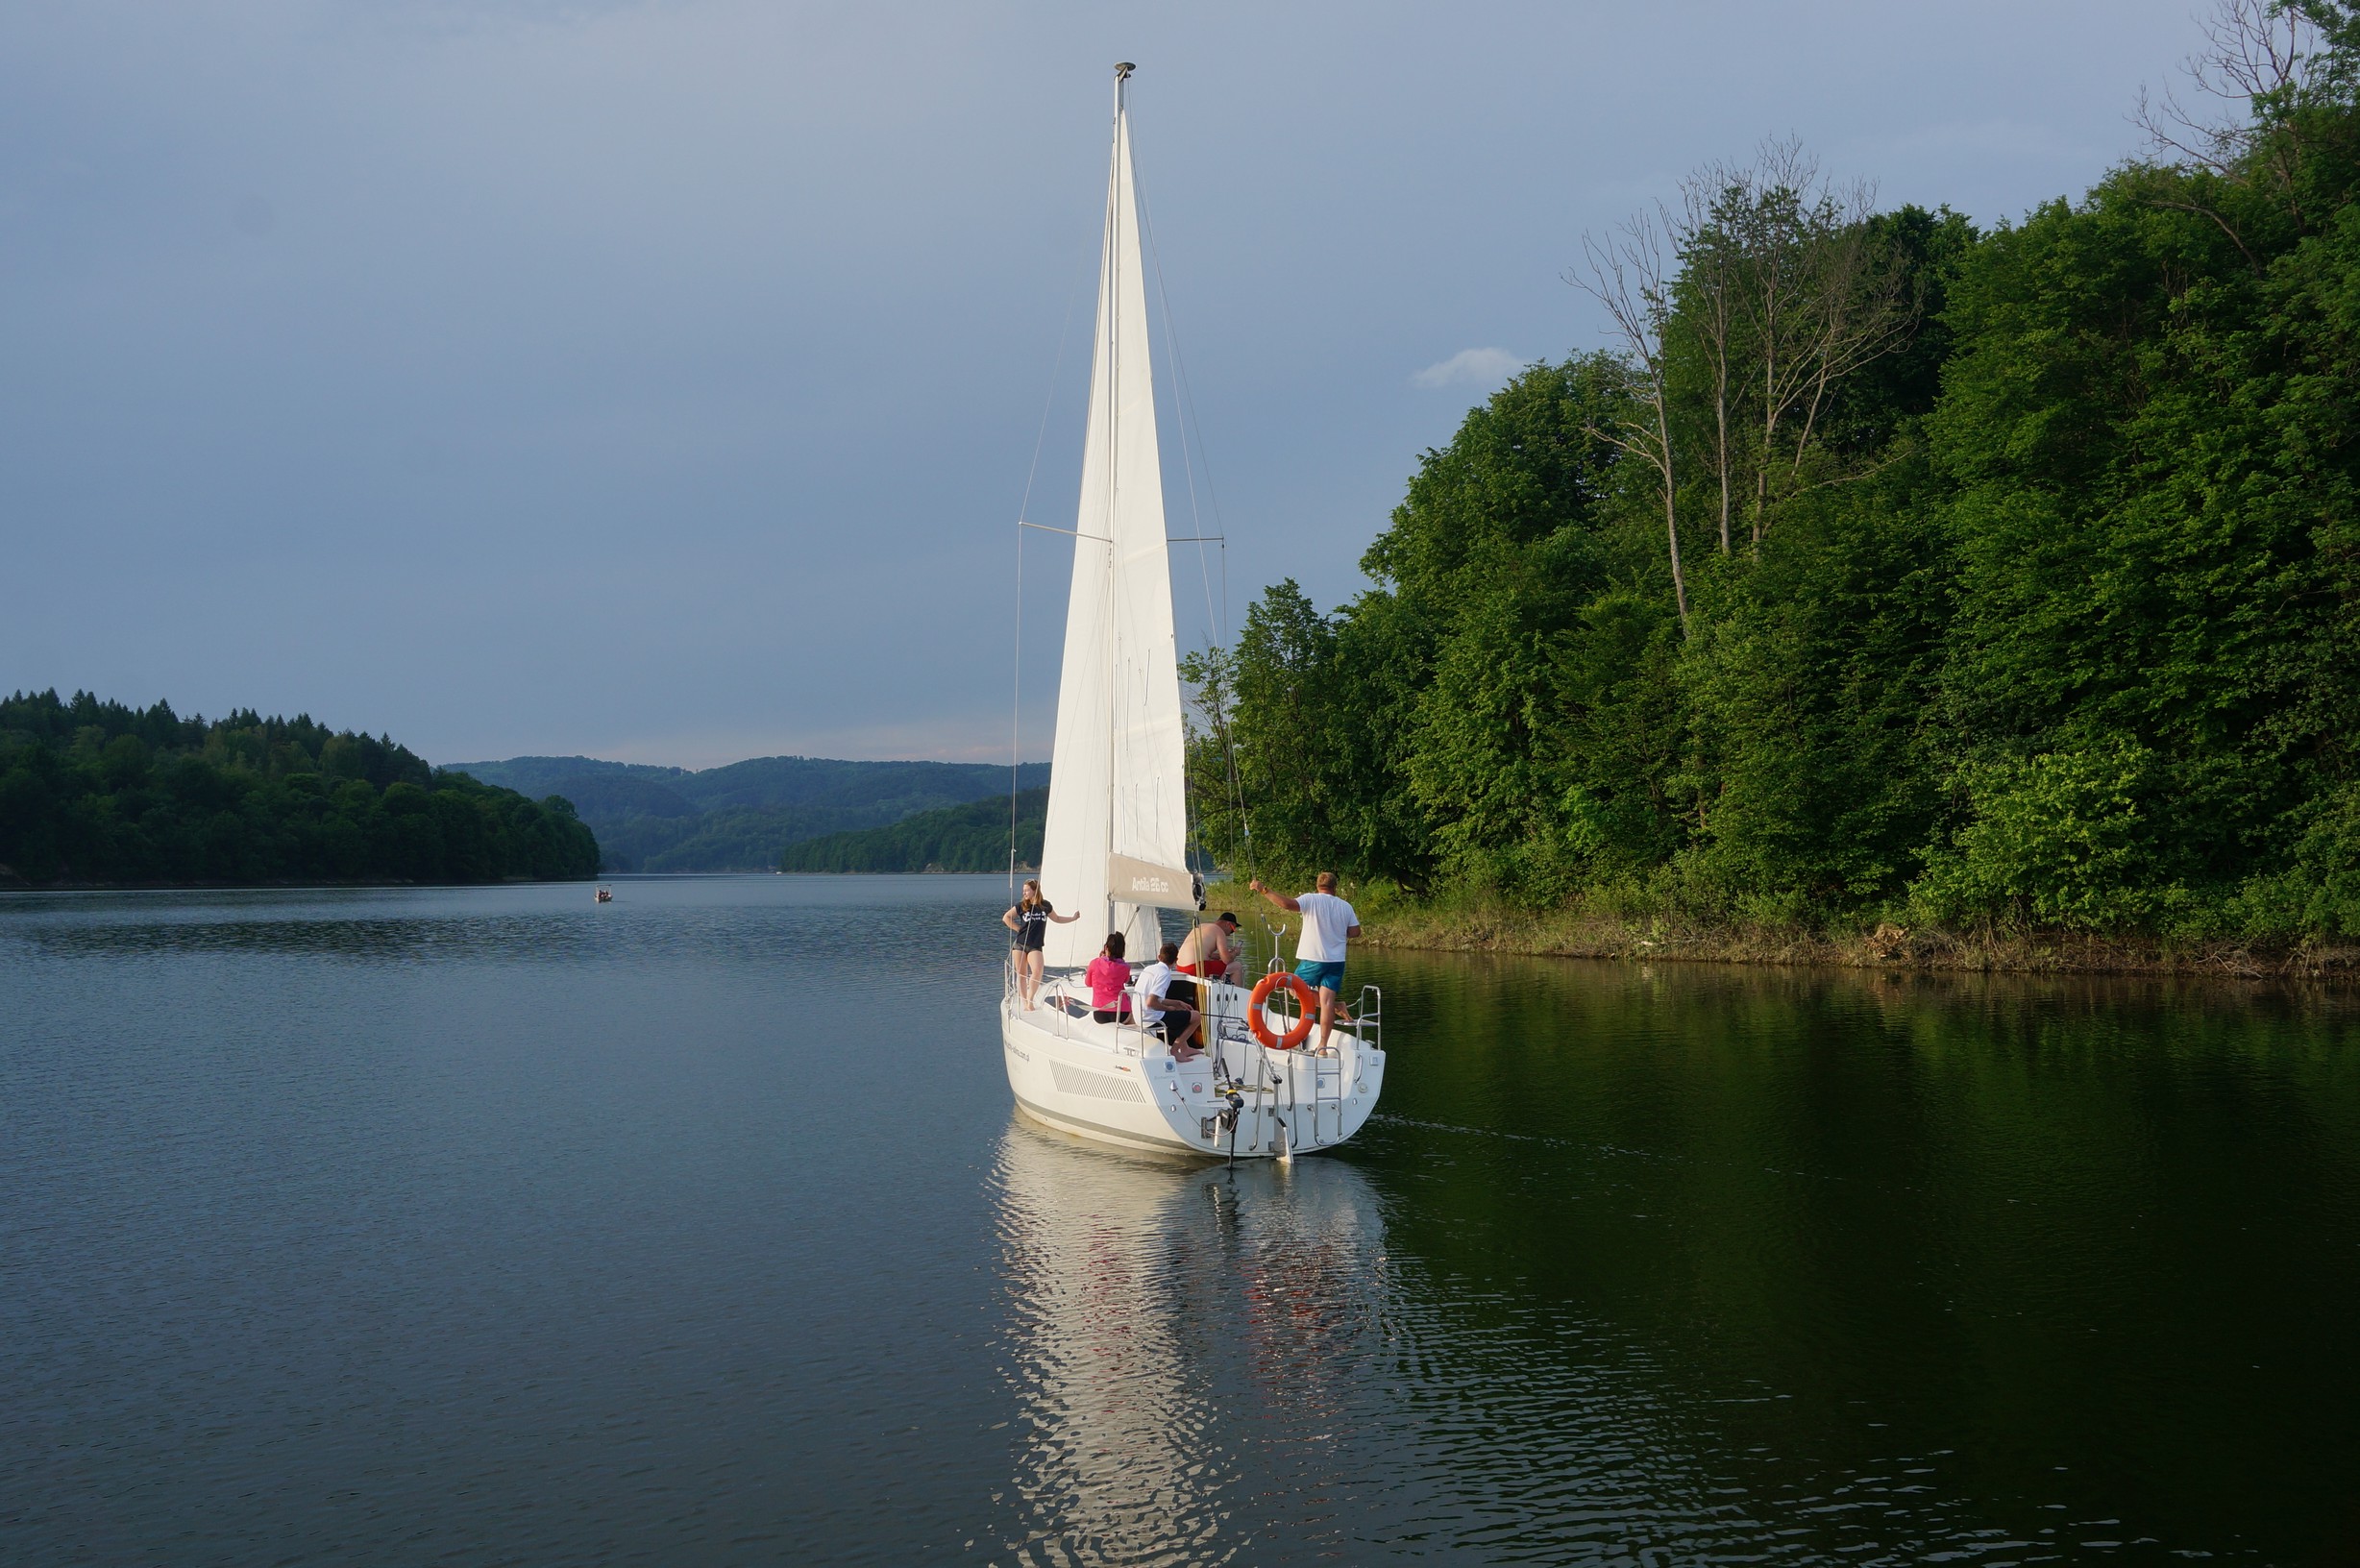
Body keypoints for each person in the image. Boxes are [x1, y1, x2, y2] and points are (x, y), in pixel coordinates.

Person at [1249, 871, 1362, 1047]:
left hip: (1313, 959)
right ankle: (1323, 1046)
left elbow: (1286, 904)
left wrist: (1264, 890)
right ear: (1334, 888)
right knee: (1326, 1002)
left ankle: (1336, 1007)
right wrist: (1338, 931)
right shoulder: (1345, 906)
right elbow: (1355, 932)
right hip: (1336, 961)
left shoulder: (1311, 899)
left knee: (1293, 989)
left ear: (1318, 886)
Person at [1000, 879, 1078, 1009]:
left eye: (1027, 890)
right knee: (1022, 974)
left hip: (1035, 945)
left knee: (1037, 971)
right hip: (1020, 944)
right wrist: (1018, 928)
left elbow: (1057, 918)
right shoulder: (1021, 906)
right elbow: (1006, 917)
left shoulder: (1045, 906)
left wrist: (1073, 918)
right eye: (1024, 890)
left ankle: (1030, 999)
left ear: (1035, 891)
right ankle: (1025, 1002)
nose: (1024, 893)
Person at [1135, 940, 1203, 1059]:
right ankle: (1175, 1051)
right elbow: (1151, 1002)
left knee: (1179, 1010)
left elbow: (1154, 999)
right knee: (1196, 1016)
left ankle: (1185, 1048)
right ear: (1176, 960)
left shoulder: (1148, 969)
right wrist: (1169, 1008)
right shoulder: (1164, 974)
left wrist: (1177, 1003)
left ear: (1159, 957)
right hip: (1150, 1019)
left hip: (1139, 1016)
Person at [1173, 912, 1242, 985]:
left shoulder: (1200, 926)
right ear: (1228, 924)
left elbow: (1206, 954)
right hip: (1195, 968)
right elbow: (1227, 960)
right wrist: (1235, 952)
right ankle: (1231, 991)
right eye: (1232, 930)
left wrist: (1224, 954)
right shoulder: (1219, 930)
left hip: (1180, 967)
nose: (1229, 934)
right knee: (1237, 966)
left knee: (1216, 963)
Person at [1084, 932, 1133, 1024]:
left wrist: (1101, 959)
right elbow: (1126, 980)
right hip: (1121, 1013)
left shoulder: (1094, 963)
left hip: (1100, 1013)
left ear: (1106, 947)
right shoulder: (1126, 967)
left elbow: (1088, 983)